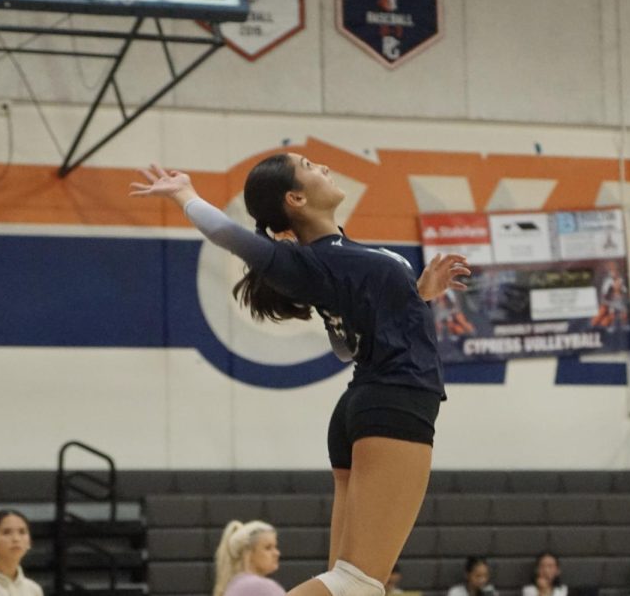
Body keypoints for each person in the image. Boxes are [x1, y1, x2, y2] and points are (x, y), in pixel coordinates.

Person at [130, 156, 471, 596]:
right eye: (309, 165)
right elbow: (224, 233)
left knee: (350, 589)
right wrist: (185, 195)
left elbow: (348, 344)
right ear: (296, 198)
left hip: (368, 402)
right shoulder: (304, 261)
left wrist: (417, 296)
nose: (323, 166)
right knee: (359, 584)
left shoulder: (340, 256)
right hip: (395, 402)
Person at [214, 520, 286, 596]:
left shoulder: (235, 584)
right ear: (248, 553)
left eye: (275, 547)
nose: (277, 553)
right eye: (268, 548)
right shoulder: (261, 586)